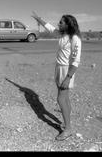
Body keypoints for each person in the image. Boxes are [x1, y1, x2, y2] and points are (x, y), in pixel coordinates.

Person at [31, 11, 82, 141]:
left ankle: (68, 129)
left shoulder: (75, 38)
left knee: (61, 99)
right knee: (65, 98)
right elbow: (49, 28)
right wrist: (39, 19)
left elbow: (76, 60)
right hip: (59, 68)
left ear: (68, 25)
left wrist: (68, 77)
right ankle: (66, 123)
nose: (58, 24)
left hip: (66, 71)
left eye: (61, 22)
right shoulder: (61, 35)